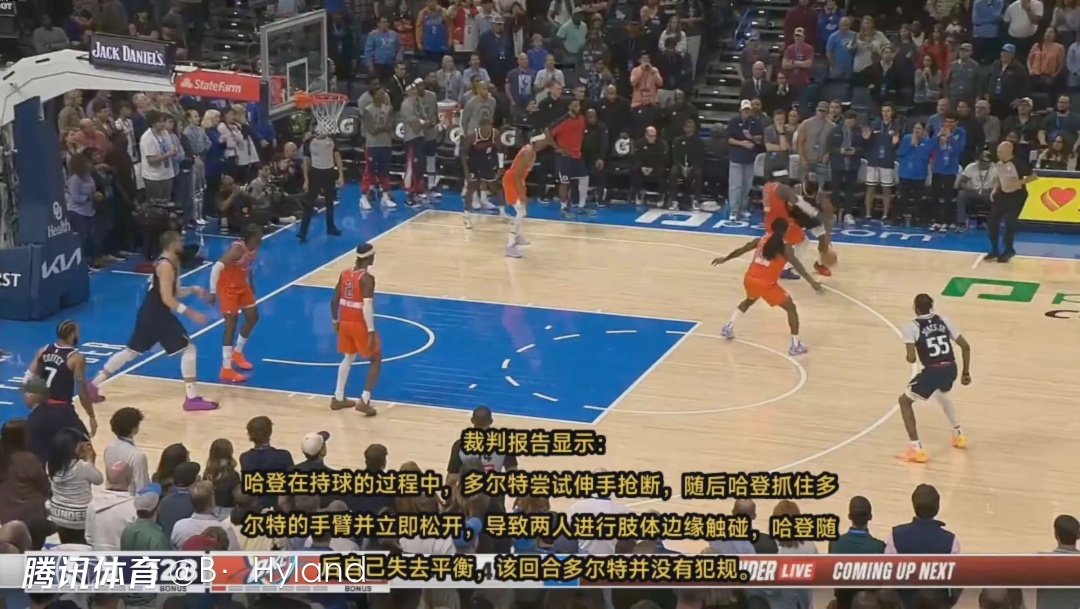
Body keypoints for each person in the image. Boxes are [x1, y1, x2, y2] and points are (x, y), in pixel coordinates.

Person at [88, 231, 218, 411]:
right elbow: (167, 299)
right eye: (179, 240)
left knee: (131, 352)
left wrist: (195, 290)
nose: (182, 242)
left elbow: (175, 291)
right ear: (171, 244)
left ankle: (93, 384)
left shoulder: (173, 261)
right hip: (157, 314)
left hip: (150, 313)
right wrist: (192, 313)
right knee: (189, 349)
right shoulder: (164, 265)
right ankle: (191, 398)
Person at [712, 215, 824, 356]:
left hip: (750, 278)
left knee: (750, 300)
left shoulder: (761, 239)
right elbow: (798, 266)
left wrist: (724, 259)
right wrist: (812, 282)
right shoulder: (785, 247)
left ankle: (728, 327)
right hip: (766, 284)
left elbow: (741, 250)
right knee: (791, 308)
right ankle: (795, 345)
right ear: (786, 230)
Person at [897, 294, 972, 463]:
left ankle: (916, 449)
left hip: (933, 370)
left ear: (915, 308)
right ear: (932, 306)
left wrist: (909, 354)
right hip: (951, 368)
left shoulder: (912, 326)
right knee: (943, 395)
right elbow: (965, 346)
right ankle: (958, 434)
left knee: (904, 402)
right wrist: (966, 373)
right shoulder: (944, 320)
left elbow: (911, 358)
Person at [24, 320, 98, 454]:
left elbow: (28, 377)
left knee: (37, 453)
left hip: (40, 409)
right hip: (62, 411)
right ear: (73, 334)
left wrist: (30, 401)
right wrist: (91, 416)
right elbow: (82, 392)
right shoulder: (76, 358)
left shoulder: (43, 350)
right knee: (86, 449)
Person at [329, 243, 381, 416]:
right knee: (376, 358)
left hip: (344, 320)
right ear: (368, 257)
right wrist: (371, 331)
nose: (374, 258)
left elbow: (334, 300)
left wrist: (335, 320)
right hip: (359, 323)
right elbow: (367, 305)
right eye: (373, 255)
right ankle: (365, 400)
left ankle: (338, 397)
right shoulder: (367, 278)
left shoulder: (345, 273)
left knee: (349, 356)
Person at [209, 225, 263, 383]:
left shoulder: (253, 249)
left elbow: (247, 267)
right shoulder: (237, 250)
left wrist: (251, 284)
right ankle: (226, 368)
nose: (261, 238)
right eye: (258, 235)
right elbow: (217, 267)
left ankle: (237, 352)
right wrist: (212, 291)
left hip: (241, 286)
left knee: (253, 316)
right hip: (228, 288)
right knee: (231, 324)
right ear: (251, 238)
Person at [988, 140, 1036, 263]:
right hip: (1003, 194)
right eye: (998, 151)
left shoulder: (1019, 163)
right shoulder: (998, 164)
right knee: (992, 221)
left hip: (1017, 195)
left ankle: (1009, 250)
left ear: (1009, 151)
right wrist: (994, 190)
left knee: (1010, 222)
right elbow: (999, 178)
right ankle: (994, 250)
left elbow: (1033, 177)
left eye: (1000, 151)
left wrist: (1017, 182)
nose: (998, 153)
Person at [501, 134, 549, 258]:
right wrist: (522, 194)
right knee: (521, 211)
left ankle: (517, 236)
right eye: (542, 142)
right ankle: (510, 245)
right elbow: (517, 175)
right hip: (512, 181)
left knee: (523, 211)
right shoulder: (528, 152)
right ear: (536, 142)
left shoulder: (532, 151)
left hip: (517, 181)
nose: (544, 144)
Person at [298, 127, 344, 242]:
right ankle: (303, 232)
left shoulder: (332, 139)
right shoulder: (309, 142)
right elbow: (305, 162)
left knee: (330, 202)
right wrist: (306, 180)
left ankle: (331, 227)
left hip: (329, 172)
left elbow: (337, 158)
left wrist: (341, 175)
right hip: (315, 173)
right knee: (309, 203)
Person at [547, 98, 589, 217]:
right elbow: (547, 133)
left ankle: (582, 206)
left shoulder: (582, 118)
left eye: (578, 105)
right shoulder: (562, 121)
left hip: (577, 155)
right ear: (569, 107)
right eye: (575, 106)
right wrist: (557, 147)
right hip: (564, 156)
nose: (578, 108)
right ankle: (564, 207)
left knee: (584, 178)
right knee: (564, 182)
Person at [460, 116, 502, 229]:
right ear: (481, 126)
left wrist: (500, 166)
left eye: (490, 126)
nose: (489, 128)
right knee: (471, 188)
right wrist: (466, 171)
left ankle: (503, 213)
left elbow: (500, 150)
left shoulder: (495, 134)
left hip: (488, 162)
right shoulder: (472, 137)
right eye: (486, 126)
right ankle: (466, 216)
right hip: (474, 163)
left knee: (497, 187)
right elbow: (463, 154)